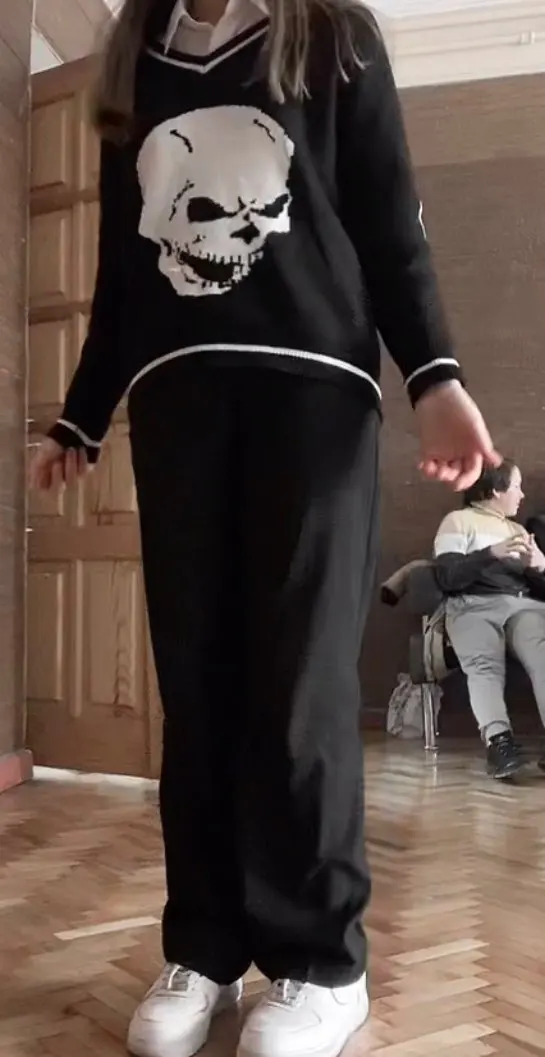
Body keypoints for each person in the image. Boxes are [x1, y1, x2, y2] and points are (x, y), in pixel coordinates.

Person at [30, 2, 499, 1056]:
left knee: (298, 682)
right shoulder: (134, 58)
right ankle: (203, 943)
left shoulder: (333, 33)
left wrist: (433, 375)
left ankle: (320, 962)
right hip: (178, 406)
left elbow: (388, 216)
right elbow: (121, 263)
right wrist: (82, 412)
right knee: (196, 682)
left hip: (315, 398)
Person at [434, 461, 545, 780]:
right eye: (516, 487)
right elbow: (447, 577)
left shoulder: (518, 530)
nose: (522, 495)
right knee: (484, 665)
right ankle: (499, 742)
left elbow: (539, 589)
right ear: (496, 490)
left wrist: (540, 566)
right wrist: (490, 554)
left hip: (521, 605)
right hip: (472, 605)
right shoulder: (457, 521)